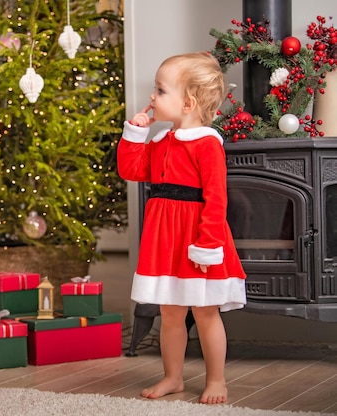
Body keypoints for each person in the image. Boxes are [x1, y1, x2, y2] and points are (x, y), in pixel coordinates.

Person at [116, 52, 246, 404]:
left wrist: (207, 244)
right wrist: (134, 134)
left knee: (205, 313)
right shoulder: (161, 141)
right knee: (170, 313)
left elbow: (216, 199)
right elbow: (132, 170)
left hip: (196, 237)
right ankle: (172, 377)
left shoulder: (207, 144)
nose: (152, 98)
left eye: (159, 90)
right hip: (164, 238)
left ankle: (216, 379)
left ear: (188, 103)